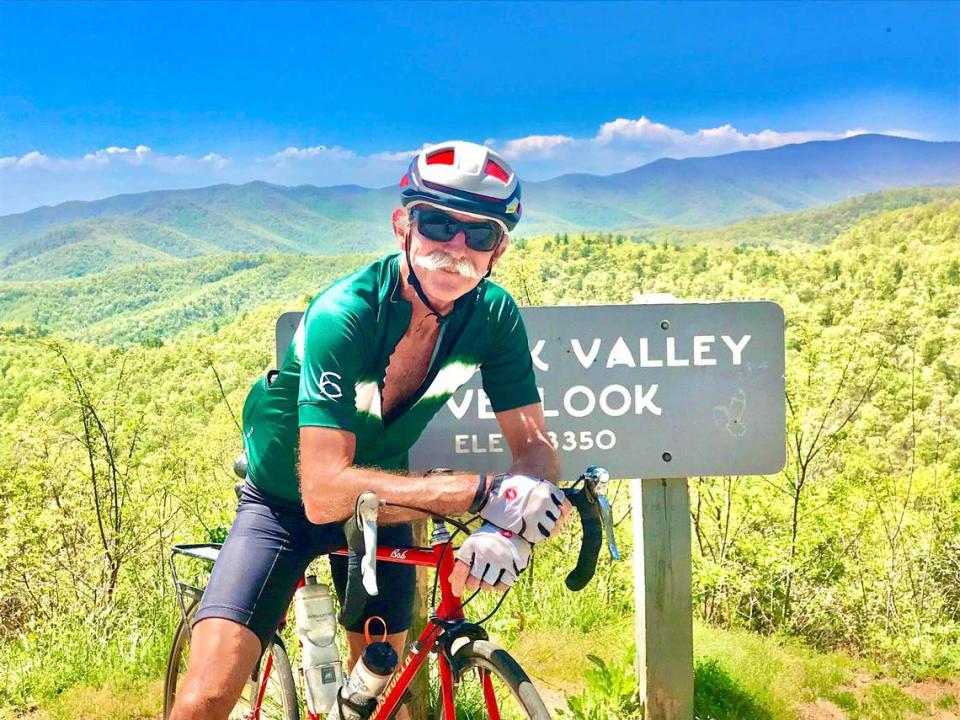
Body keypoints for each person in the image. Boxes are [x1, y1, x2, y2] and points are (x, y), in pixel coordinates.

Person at [170, 140, 569, 720]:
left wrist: (511, 531)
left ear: (498, 249)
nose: (455, 247)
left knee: (392, 696)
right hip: (285, 501)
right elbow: (324, 491)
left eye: (478, 234)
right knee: (205, 698)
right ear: (402, 226)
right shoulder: (347, 313)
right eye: (436, 223)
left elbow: (533, 447)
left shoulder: (495, 317)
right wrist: (483, 494)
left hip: (384, 508)